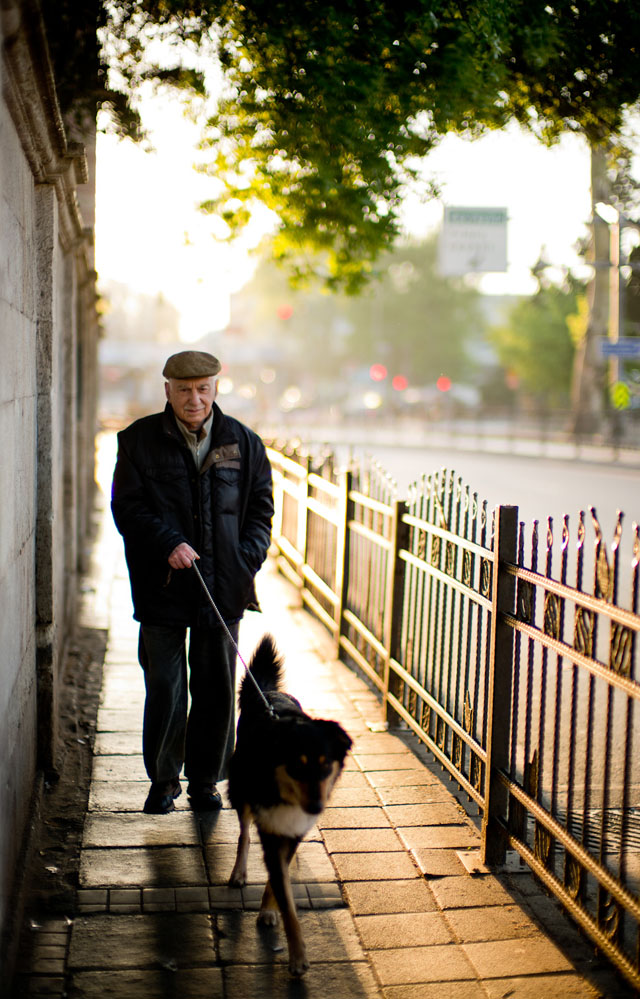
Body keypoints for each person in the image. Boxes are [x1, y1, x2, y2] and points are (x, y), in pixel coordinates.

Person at [111, 350, 274, 814]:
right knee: (165, 686)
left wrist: (245, 561)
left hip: (223, 587)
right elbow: (128, 508)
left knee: (217, 688)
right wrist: (167, 543)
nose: (194, 398)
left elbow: (261, 511)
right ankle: (163, 781)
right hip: (162, 584)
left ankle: (206, 780)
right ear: (168, 390)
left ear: (216, 388)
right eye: (184, 389)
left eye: (203, 388)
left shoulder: (244, 442)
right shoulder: (138, 441)